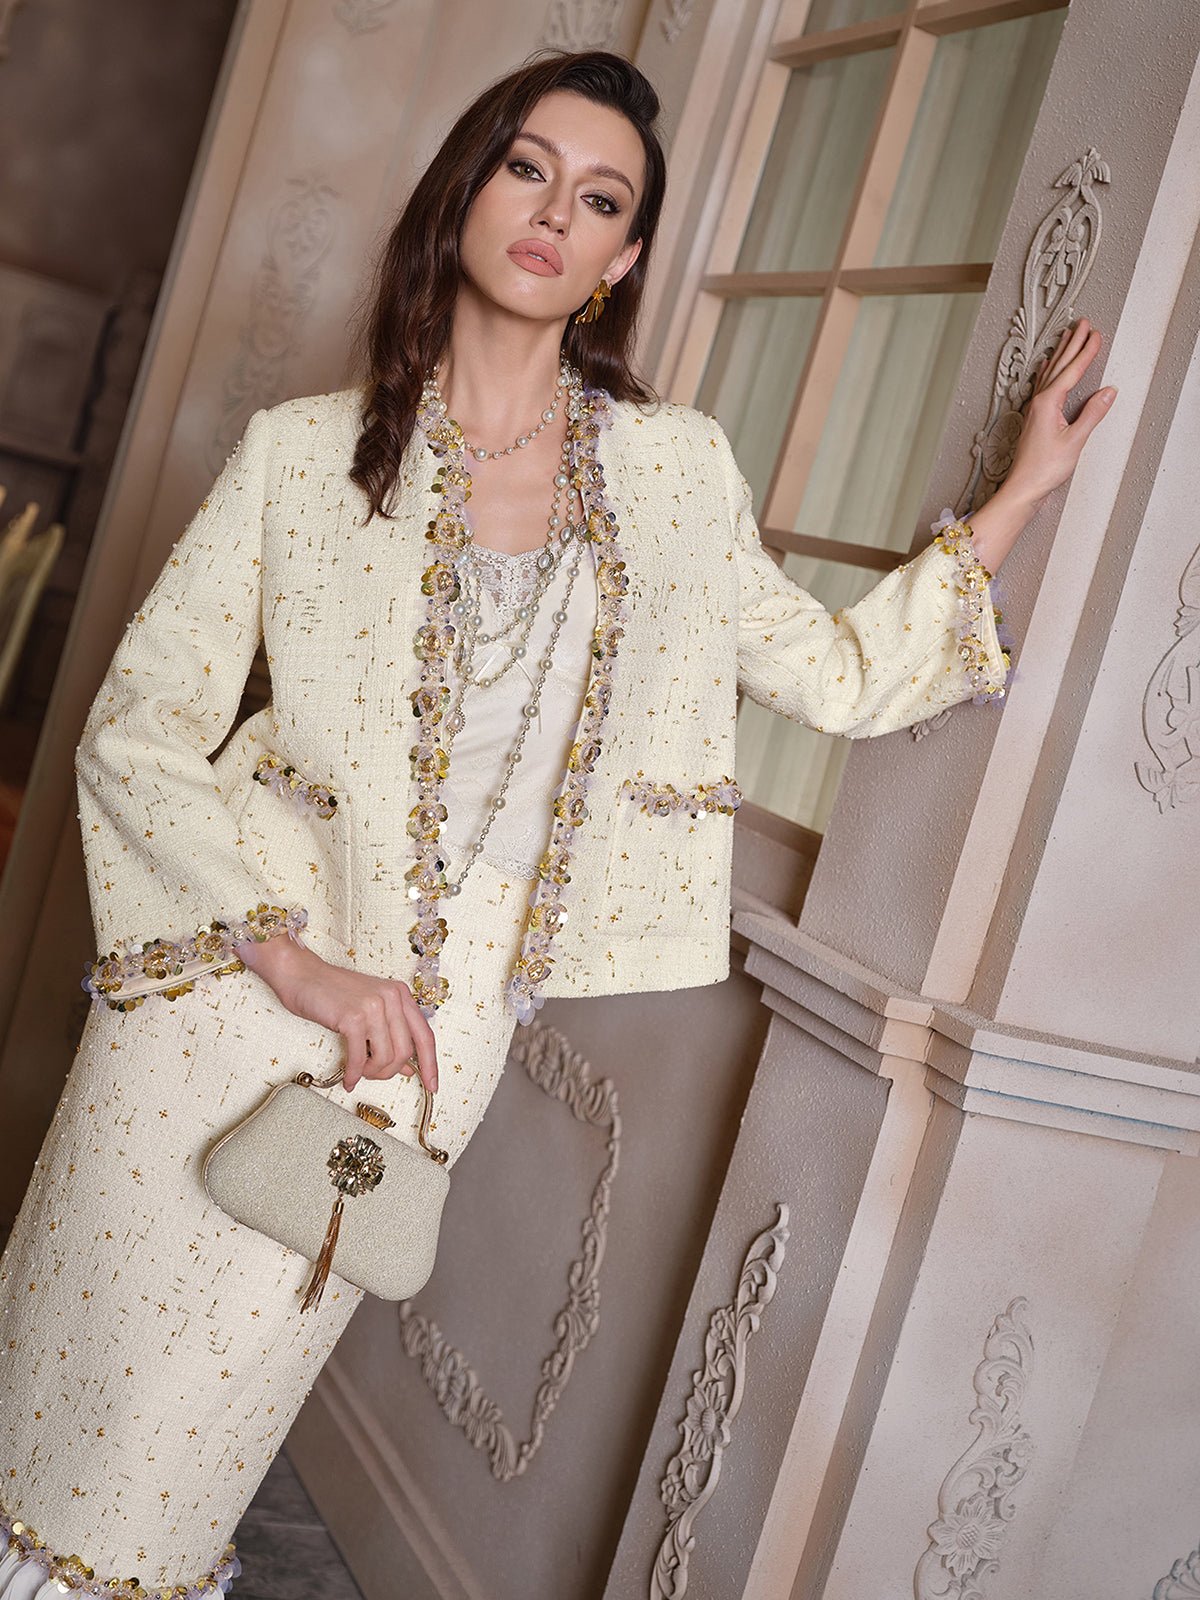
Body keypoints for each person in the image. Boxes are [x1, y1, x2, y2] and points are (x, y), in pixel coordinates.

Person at [0, 46, 1115, 1600]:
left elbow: (841, 677)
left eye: (601, 198)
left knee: (181, 1455)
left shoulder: (670, 475)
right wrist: (293, 965)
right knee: (55, 1391)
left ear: (623, 259)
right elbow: (136, 732)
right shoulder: (303, 458)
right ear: (468, 187)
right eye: (527, 168)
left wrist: (1020, 495)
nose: (554, 212)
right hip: (224, 994)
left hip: (409, 1058)